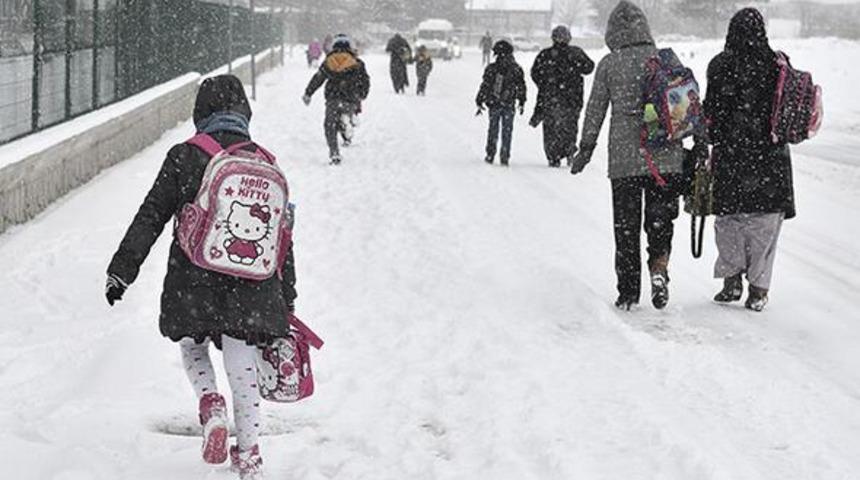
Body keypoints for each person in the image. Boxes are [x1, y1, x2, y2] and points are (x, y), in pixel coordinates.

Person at [104, 74, 297, 480]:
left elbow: (151, 215)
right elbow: (281, 238)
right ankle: (248, 455)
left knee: (193, 346)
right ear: (244, 111)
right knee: (241, 360)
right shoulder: (264, 161)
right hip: (252, 285)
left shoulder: (184, 155)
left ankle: (211, 405)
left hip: (193, 279)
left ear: (200, 112)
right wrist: (287, 297)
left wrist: (122, 271)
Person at [570, 1, 685, 311]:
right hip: (665, 156)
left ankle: (628, 292)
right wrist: (697, 145)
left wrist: (585, 148)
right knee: (660, 221)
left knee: (626, 226)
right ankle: (659, 266)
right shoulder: (664, 59)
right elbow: (685, 107)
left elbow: (595, 109)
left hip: (625, 160)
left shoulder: (609, 63)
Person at [703, 8, 796, 312]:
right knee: (765, 225)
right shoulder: (777, 65)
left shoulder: (720, 65)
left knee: (729, 221)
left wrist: (712, 138)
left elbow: (711, 113)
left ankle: (731, 281)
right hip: (770, 159)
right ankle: (758, 289)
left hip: (732, 155)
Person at [530, 25, 595, 168]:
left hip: (550, 98)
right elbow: (589, 67)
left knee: (551, 128)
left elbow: (535, 73)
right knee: (570, 126)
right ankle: (569, 149)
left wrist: (545, 84)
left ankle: (553, 156)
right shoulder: (575, 53)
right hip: (572, 99)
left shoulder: (545, 55)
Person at [303, 34, 370, 165]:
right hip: (351, 98)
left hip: (333, 98)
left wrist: (308, 93)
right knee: (347, 114)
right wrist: (362, 94)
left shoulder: (329, 61)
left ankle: (334, 153)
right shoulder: (357, 63)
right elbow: (365, 81)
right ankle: (349, 121)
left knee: (330, 125)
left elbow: (318, 78)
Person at [476, 40, 527, 167]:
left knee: (493, 129)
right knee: (507, 131)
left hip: (494, 103)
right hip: (509, 104)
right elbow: (521, 86)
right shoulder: (516, 69)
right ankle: (505, 156)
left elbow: (485, 85)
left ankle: (490, 153)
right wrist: (521, 101)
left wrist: (480, 99)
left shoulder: (492, 68)